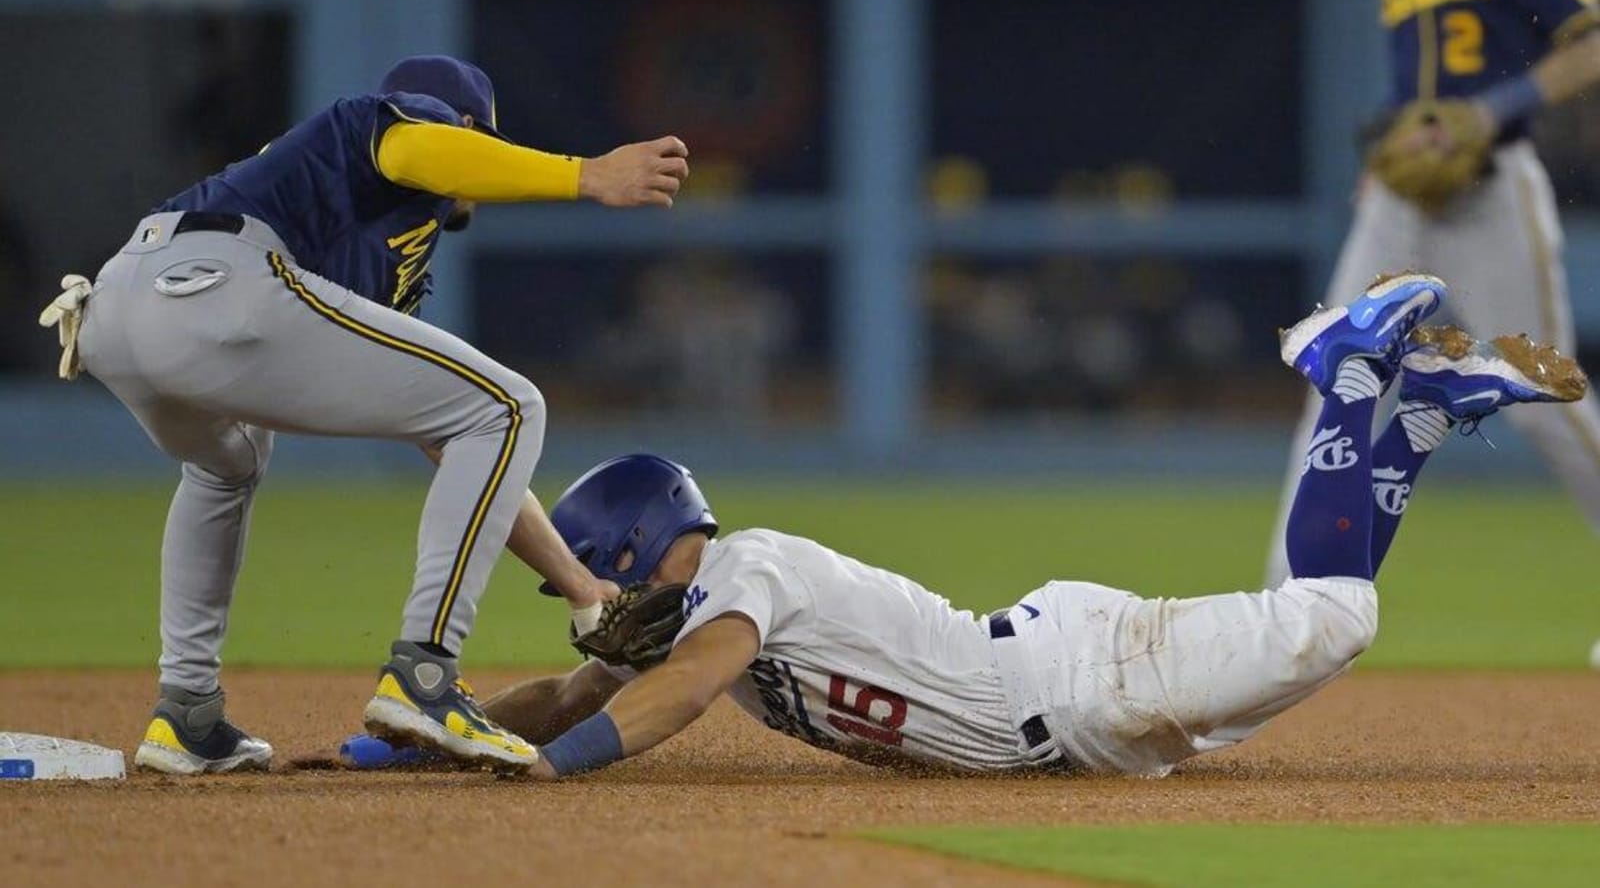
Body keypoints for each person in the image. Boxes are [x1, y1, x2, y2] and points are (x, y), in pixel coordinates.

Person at [456, 274, 1584, 779]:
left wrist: (557, 772)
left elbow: (687, 690)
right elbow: (565, 696)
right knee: (1322, 613)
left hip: (1076, 677)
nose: (591, 607)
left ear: (632, 546)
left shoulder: (747, 573)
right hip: (1078, 721)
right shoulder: (689, 620)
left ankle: (1347, 374)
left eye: (593, 580)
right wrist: (426, 730)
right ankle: (1427, 411)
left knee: (1333, 616)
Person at [37, 55, 689, 775]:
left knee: (228, 465)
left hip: (121, 306)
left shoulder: (362, 242)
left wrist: (578, 584)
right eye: (487, 145)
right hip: (220, 278)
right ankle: (426, 678)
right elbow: (418, 148)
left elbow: (455, 442)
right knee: (512, 404)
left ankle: (187, 714)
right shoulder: (403, 124)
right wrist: (586, 174)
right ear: (473, 130)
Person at [1266, 0, 1600, 583]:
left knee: (1545, 396)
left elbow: (1592, 47)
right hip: (1400, 198)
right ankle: (1292, 599)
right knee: (1340, 375)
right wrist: (1387, 152)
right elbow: (1419, 94)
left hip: (1491, 189)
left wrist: (1492, 110)